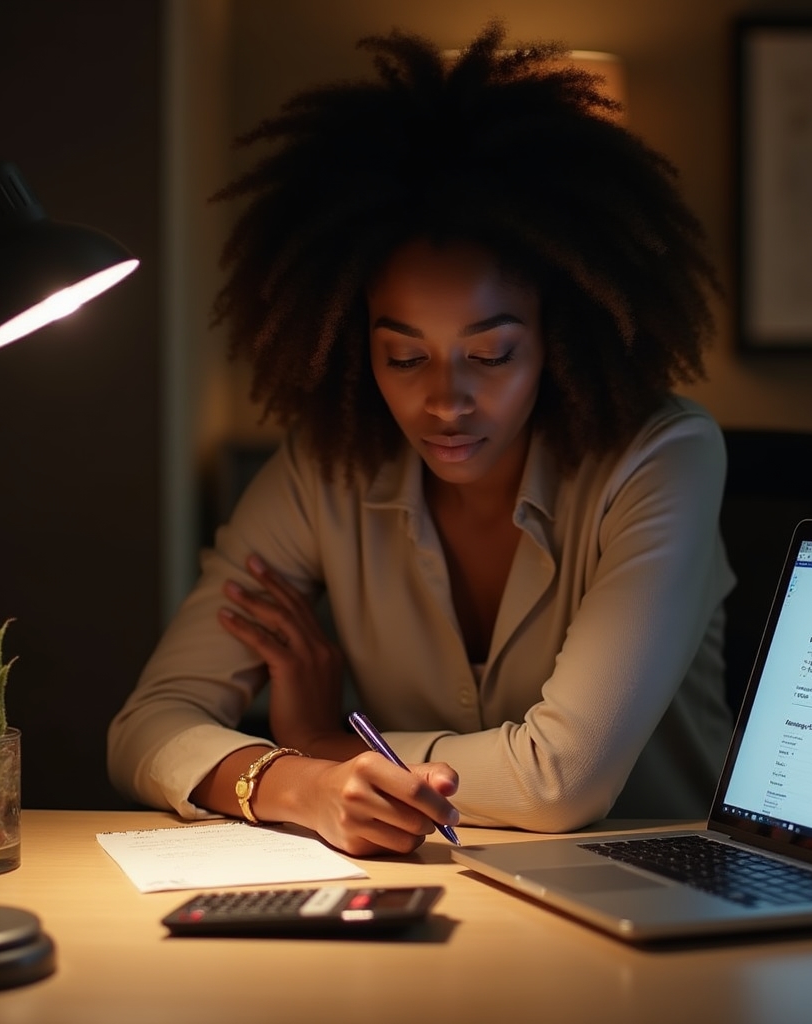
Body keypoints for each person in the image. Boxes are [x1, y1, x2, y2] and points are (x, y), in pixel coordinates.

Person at [107, 22, 735, 856]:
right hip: (439, 893)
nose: (446, 401)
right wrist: (299, 783)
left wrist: (334, 748)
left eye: (491, 354)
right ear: (348, 337)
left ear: (560, 331)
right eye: (403, 356)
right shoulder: (322, 472)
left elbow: (561, 780)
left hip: (664, 897)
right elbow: (148, 727)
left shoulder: (662, 458)